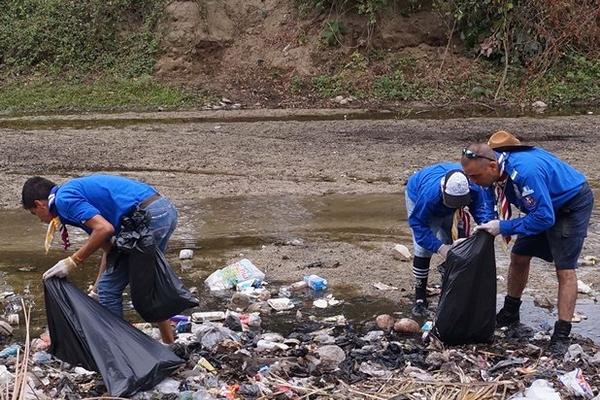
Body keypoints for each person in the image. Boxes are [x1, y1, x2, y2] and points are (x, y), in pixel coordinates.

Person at [462, 130, 594, 353]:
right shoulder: (495, 169)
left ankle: (562, 333)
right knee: (519, 255)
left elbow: (544, 218)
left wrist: (503, 227)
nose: (473, 182)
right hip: (543, 206)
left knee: (565, 269)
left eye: (475, 177)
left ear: (492, 167)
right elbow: (514, 206)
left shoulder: (525, 172)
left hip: (570, 205)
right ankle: (510, 312)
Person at [22, 174, 178, 344]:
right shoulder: (71, 193)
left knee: (109, 290)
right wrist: (95, 291)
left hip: (149, 218)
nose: (39, 218)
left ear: (39, 204)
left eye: (34, 213)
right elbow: (109, 249)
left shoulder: (64, 201)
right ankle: (169, 343)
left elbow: (104, 229)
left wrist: (73, 261)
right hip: (163, 210)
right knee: (149, 281)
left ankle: (122, 353)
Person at [405, 162, 495, 316]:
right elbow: (418, 226)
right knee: (423, 248)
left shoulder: (473, 187)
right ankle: (420, 298)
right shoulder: (429, 196)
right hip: (417, 195)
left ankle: (450, 279)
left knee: (455, 240)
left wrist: (484, 225)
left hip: (451, 202)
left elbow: (480, 208)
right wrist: (441, 248)